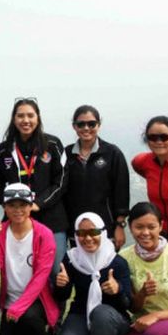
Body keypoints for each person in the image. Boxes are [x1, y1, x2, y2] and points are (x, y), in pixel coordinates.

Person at [0, 183, 59, 335]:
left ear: (30, 206)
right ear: (5, 207)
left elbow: (41, 277)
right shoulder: (1, 232)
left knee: (29, 315)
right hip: (10, 301)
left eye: (23, 205)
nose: (18, 210)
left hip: (36, 300)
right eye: (12, 206)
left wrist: (19, 307)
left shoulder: (44, 234)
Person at [0, 97, 68, 278]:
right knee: (17, 272)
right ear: (14, 119)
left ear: (38, 118)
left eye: (30, 115)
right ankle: (18, 306)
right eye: (20, 116)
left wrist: (38, 203)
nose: (26, 120)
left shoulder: (53, 145)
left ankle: (54, 307)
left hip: (51, 219)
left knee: (55, 271)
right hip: (16, 220)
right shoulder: (4, 149)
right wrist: (10, 205)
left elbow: (62, 181)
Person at [54, 212, 132, 335]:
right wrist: (62, 285)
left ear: (102, 233)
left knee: (101, 313)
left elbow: (128, 302)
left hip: (112, 318)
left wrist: (117, 290)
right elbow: (62, 296)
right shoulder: (72, 259)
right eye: (81, 233)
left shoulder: (116, 262)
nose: (87, 238)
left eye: (93, 232)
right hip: (81, 314)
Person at [108, 202, 168, 335]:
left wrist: (157, 316)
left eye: (151, 227)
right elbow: (133, 306)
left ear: (161, 226)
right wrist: (142, 293)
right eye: (139, 227)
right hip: (143, 325)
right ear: (130, 227)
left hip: (160, 323)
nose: (145, 233)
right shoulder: (125, 258)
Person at [64, 105, 129, 250]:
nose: (86, 128)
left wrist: (119, 226)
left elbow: (121, 192)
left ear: (99, 125)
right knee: (79, 269)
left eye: (91, 124)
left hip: (106, 228)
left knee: (106, 269)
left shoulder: (112, 153)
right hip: (77, 230)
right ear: (74, 126)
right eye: (81, 124)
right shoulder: (66, 154)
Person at [131, 116, 168, 236]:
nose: (159, 142)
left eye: (164, 137)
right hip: (160, 233)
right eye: (153, 137)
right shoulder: (142, 162)